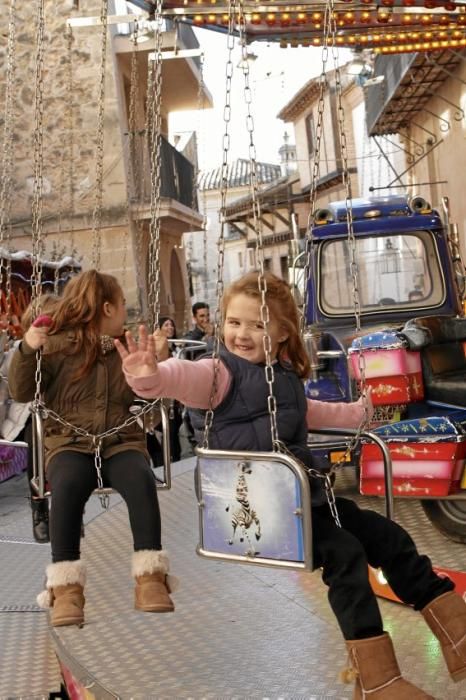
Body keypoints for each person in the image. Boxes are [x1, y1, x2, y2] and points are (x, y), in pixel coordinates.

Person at [117, 271, 466, 698]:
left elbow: (308, 411)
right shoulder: (216, 374)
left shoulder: (282, 376)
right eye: (234, 321)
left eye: (257, 325)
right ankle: (378, 682)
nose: (241, 334)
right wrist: (148, 375)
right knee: (345, 555)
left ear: (282, 333)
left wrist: (357, 414)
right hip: (253, 509)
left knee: (389, 537)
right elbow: (177, 379)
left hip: (300, 499)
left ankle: (458, 636)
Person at [8, 270, 176, 628]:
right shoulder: (55, 346)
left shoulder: (125, 348)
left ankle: (150, 579)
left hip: (120, 439)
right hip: (69, 441)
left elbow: (145, 394)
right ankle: (66, 588)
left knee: (140, 480)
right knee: (67, 485)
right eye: (122, 307)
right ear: (105, 308)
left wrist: (154, 365)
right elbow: (22, 392)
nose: (126, 313)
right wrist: (28, 348)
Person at [0, 294, 59, 543]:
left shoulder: (66, 348)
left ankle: (69, 505)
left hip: (62, 414)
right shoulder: (19, 350)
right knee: (36, 439)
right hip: (28, 414)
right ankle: (39, 508)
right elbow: (6, 386)